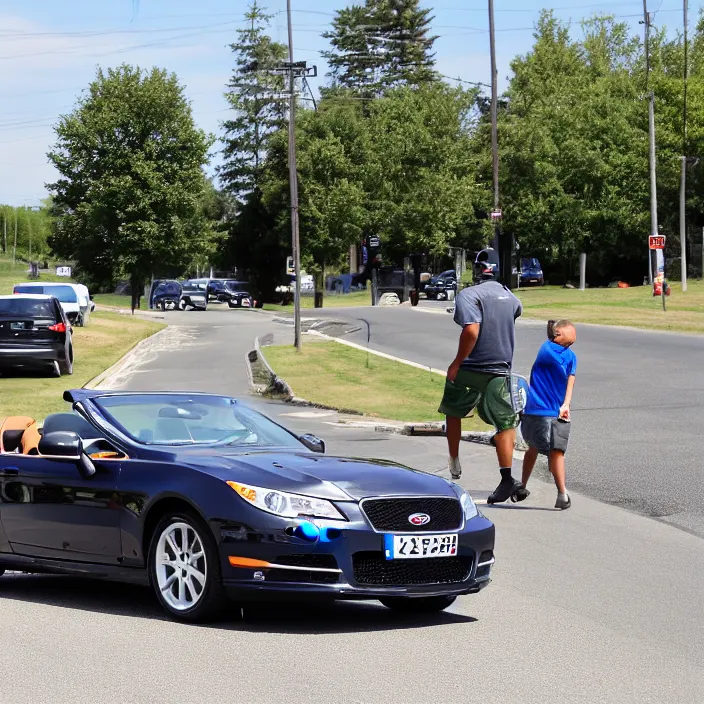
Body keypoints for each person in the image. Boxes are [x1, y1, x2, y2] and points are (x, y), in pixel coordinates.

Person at [439, 263, 528, 504]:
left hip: (471, 368)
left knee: (452, 410)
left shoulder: (468, 295)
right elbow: (516, 311)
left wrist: (457, 362)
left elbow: (471, 330)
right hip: (501, 368)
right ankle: (507, 477)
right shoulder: (510, 297)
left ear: (477, 273)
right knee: (506, 423)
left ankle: (454, 459)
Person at [520, 319, 577, 510]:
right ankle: (562, 493)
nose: (571, 343)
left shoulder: (568, 355)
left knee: (534, 448)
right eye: (569, 339)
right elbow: (567, 374)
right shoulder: (547, 349)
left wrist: (566, 404)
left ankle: (523, 486)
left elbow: (571, 380)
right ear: (558, 334)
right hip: (541, 411)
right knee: (556, 452)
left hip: (546, 411)